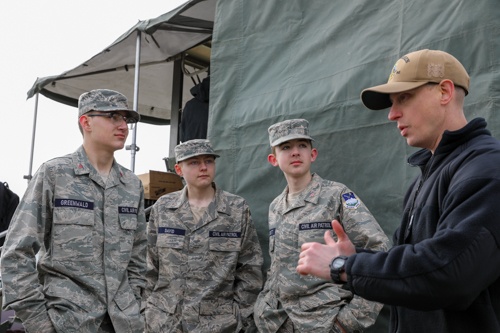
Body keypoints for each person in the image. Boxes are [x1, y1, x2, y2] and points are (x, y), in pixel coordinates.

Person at [296, 49, 500, 332]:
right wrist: (357, 259)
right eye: (392, 103)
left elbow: (449, 273)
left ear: (444, 91)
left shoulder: (486, 168)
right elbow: (418, 268)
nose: (392, 114)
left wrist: (342, 266)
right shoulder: (425, 179)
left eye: (404, 98)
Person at [0, 89, 147, 333]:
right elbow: (16, 253)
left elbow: (138, 257)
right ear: (85, 121)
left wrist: (135, 306)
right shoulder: (55, 174)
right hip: (67, 321)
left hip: (123, 324)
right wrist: (40, 324)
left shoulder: (131, 185)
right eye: (113, 117)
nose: (123, 125)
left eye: (126, 119)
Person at [254, 119, 390, 333]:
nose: (295, 152)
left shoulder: (336, 196)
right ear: (273, 159)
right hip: (278, 323)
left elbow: (379, 253)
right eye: (286, 147)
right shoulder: (276, 207)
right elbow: (278, 268)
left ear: (313, 154)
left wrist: (349, 321)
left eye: (302, 146)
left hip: (324, 323)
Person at [143, 139, 264, 333]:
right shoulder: (164, 208)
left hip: (218, 325)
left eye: (208, 161)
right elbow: (149, 266)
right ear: (178, 169)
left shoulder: (236, 209)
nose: (203, 167)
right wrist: (147, 310)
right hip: (165, 322)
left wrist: (240, 318)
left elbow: (250, 269)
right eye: (194, 162)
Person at [180, 76, 210, 142]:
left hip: (191, 150)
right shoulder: (221, 105)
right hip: (213, 150)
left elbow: (182, 136)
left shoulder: (189, 105)